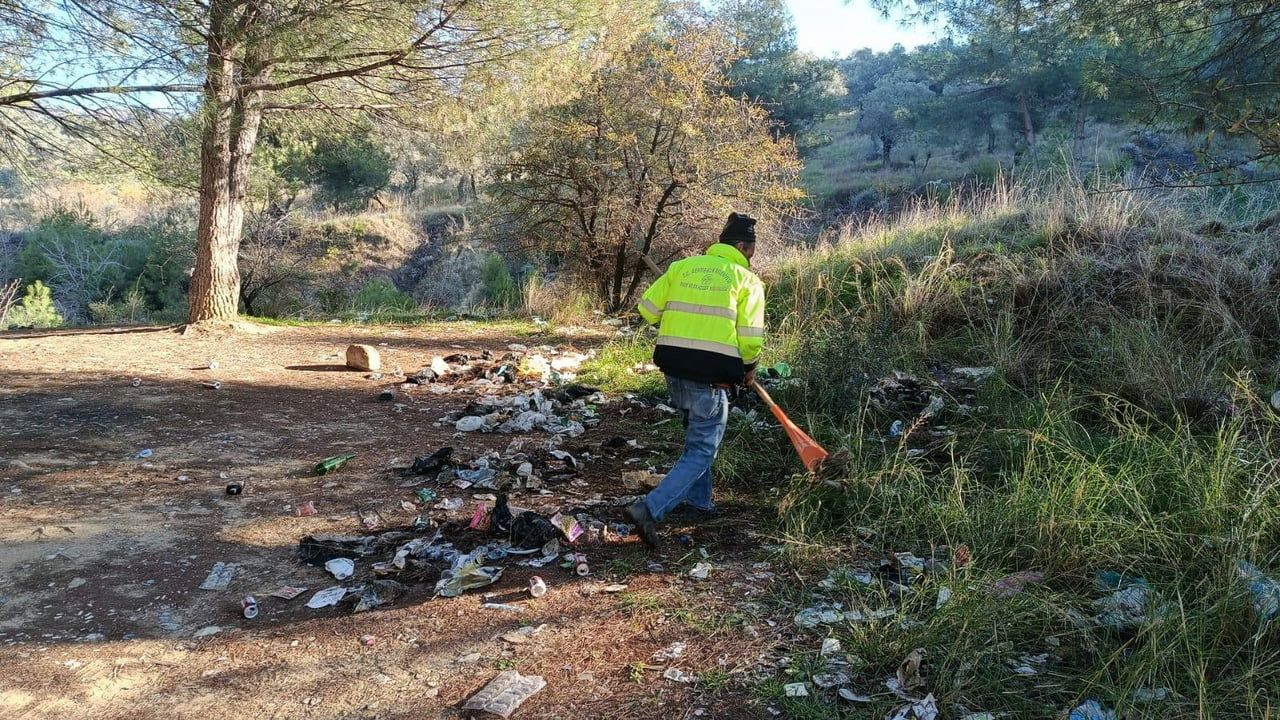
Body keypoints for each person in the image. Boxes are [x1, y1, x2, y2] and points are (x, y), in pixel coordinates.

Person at [625, 212, 766, 547]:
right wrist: (750, 367)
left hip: (674, 372)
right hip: (710, 380)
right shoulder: (747, 281)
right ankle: (649, 509)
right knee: (703, 449)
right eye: (752, 251)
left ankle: (699, 503)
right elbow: (750, 339)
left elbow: (646, 310)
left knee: (696, 440)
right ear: (744, 246)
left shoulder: (681, 268)